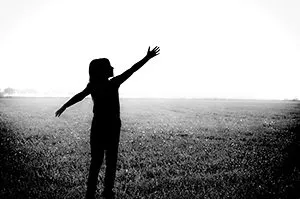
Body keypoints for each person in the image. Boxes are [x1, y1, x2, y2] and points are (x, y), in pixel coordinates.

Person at [55, 46, 160, 199]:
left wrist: (65, 105)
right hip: (111, 127)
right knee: (110, 162)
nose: (113, 67)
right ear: (103, 71)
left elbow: (79, 96)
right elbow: (132, 70)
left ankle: (90, 194)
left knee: (96, 162)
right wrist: (147, 58)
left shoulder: (94, 85)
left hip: (98, 126)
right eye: (109, 66)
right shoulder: (113, 83)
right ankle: (107, 192)